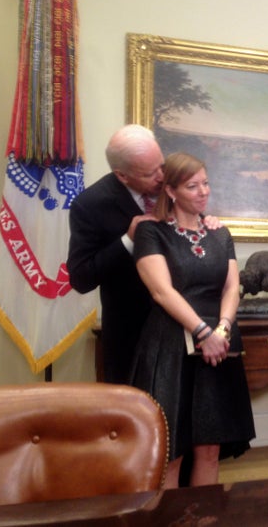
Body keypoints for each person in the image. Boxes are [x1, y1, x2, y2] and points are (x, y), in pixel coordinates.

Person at [130, 151, 255, 488]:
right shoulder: (151, 232)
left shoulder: (220, 233)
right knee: (173, 450)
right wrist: (203, 332)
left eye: (206, 183)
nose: (203, 192)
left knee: (210, 448)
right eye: (192, 186)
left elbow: (232, 287)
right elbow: (162, 292)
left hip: (219, 347)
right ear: (170, 191)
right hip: (172, 347)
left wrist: (223, 329)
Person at [67, 124, 219, 384]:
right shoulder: (90, 205)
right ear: (122, 175)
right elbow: (81, 279)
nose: (162, 177)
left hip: (181, 331)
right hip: (130, 338)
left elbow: (190, 234)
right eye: (151, 173)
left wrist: (209, 225)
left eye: (162, 165)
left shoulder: (169, 187)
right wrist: (127, 240)